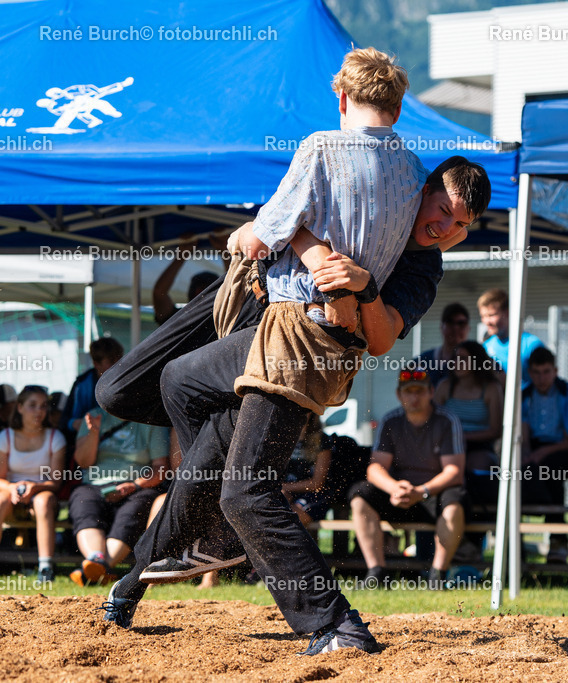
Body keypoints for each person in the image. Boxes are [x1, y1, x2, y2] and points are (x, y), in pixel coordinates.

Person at [135, 44, 489, 654]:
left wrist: (266, 238)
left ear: (342, 97)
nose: (445, 231)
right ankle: (213, 524)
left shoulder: (324, 149)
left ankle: (333, 624)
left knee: (248, 490)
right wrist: (320, 252)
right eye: (445, 217)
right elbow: (310, 236)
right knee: (182, 381)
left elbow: (266, 231)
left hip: (300, 338)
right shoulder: (409, 176)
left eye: (459, 226)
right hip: (302, 336)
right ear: (401, 108)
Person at [350, 369, 465, 589]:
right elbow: (375, 469)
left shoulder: (447, 420)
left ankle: (437, 575)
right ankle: (376, 572)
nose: (414, 397)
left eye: (420, 391)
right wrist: (394, 488)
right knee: (359, 496)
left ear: (431, 392)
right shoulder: (390, 421)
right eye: (408, 391)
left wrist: (421, 491)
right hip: (401, 493)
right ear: (398, 394)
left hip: (433, 493)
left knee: (454, 504)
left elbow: (454, 471)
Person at [68, 406, 170, 587]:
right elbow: (83, 462)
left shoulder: (152, 420)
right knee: (83, 503)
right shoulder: (92, 416)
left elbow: (160, 468)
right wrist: (93, 432)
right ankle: (98, 562)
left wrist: (135, 485)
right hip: (94, 485)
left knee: (132, 513)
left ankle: (96, 568)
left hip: (137, 486)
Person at [0, 386, 66, 583]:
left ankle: (45, 568)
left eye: (43, 406)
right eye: (32, 405)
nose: (39, 411)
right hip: (12, 493)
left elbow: (55, 482)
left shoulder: (55, 437)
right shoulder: (5, 437)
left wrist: (34, 487)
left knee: (43, 502)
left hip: (41, 493)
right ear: (20, 407)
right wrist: (13, 488)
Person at [520, 346, 568, 563]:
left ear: (555, 370)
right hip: (535, 453)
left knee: (550, 471)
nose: (541, 378)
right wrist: (526, 454)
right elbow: (523, 433)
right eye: (536, 372)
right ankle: (518, 545)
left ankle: (558, 539)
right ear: (529, 372)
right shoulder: (524, 395)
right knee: (521, 473)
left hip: (563, 451)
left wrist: (541, 453)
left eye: (546, 372)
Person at [433, 340, 503, 560]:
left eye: (463, 358)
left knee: (477, 470)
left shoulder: (490, 389)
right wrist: (452, 439)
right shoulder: (445, 386)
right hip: (448, 446)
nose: (457, 363)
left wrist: (463, 437)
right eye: (455, 358)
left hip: (479, 446)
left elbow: (496, 429)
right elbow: (433, 421)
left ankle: (473, 540)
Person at [477, 288, 545, 387]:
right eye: (483, 316)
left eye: (491, 315)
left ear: (507, 313)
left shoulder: (531, 345)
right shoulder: (486, 347)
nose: (487, 321)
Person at [153, 234, 226, 325]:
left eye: (206, 290)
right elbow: (159, 294)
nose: (201, 294)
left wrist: (182, 255)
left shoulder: (225, 316)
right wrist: (224, 251)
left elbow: (159, 293)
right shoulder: (225, 318)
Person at [60, 337, 125, 435]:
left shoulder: (127, 380)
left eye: (120, 359)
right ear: (96, 364)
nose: (118, 365)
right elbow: (65, 421)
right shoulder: (81, 385)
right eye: (111, 361)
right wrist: (74, 424)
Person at [414, 303, 471, 387]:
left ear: (468, 328)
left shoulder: (479, 362)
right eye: (450, 322)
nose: (455, 328)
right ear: (441, 327)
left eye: (461, 323)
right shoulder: (422, 362)